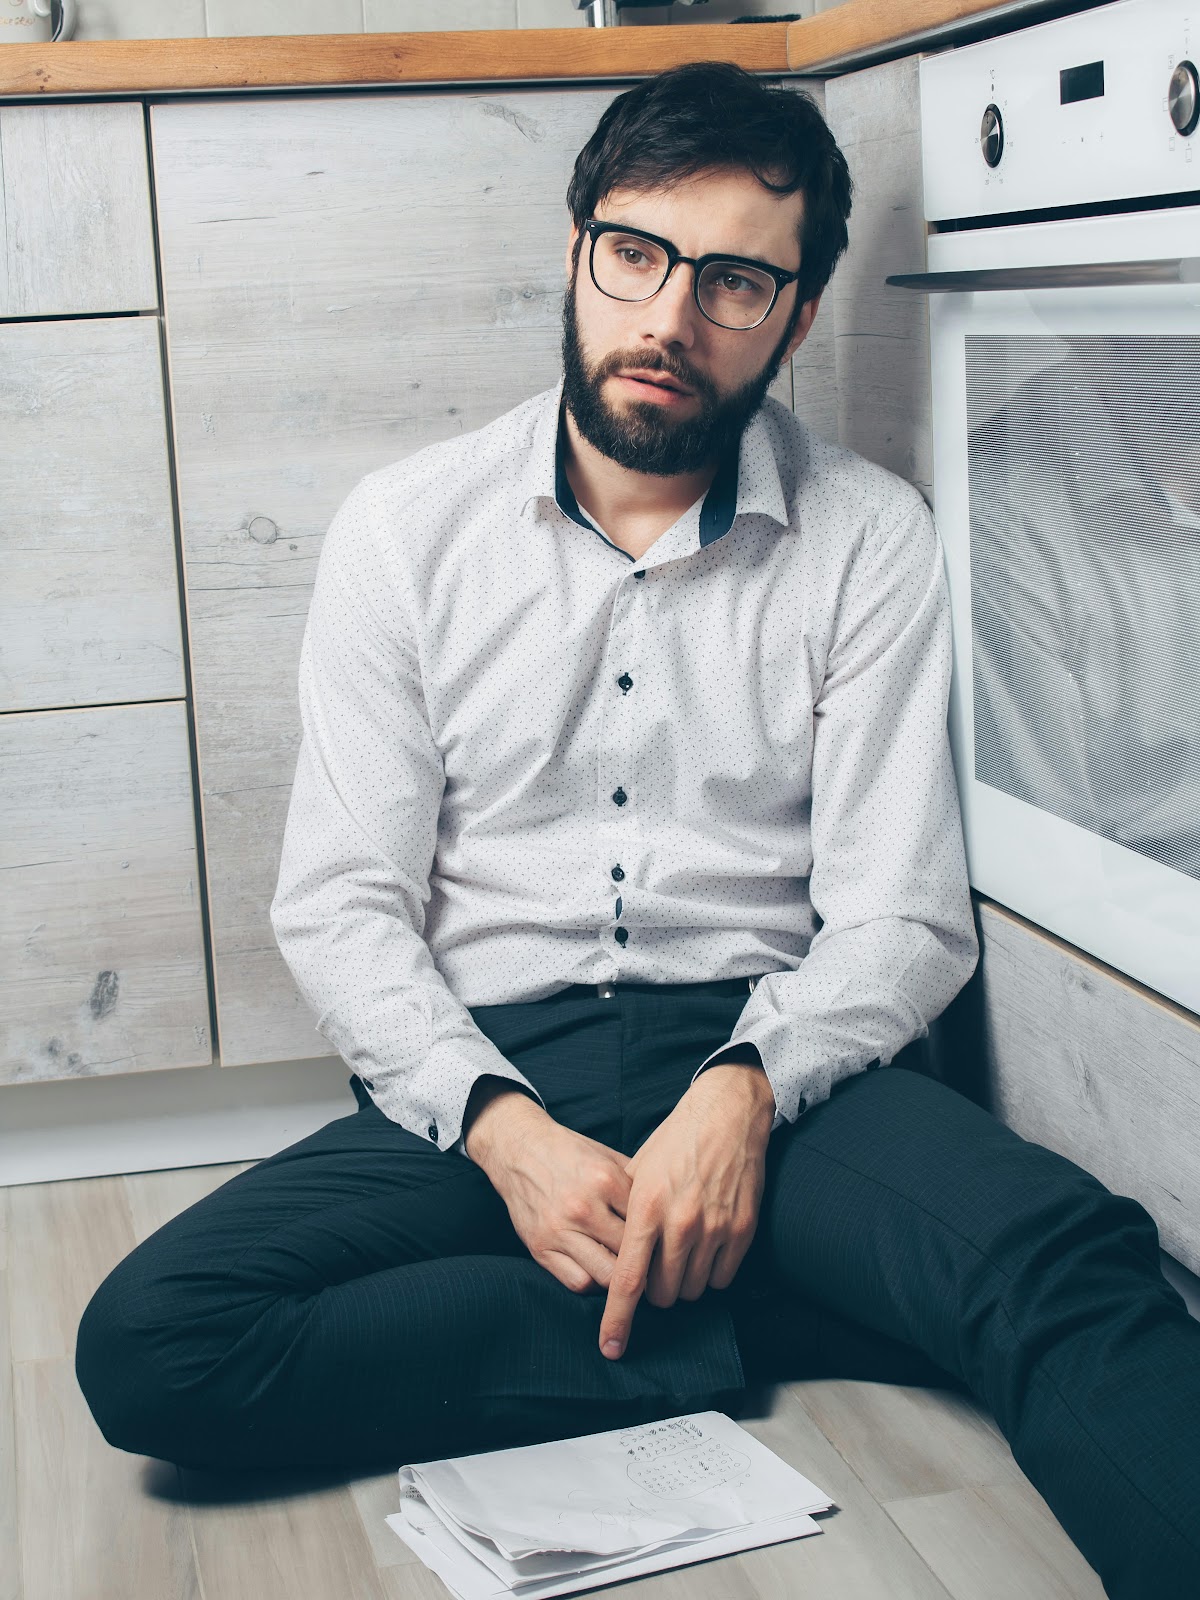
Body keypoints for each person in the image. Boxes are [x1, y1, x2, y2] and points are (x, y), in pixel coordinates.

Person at [75, 63, 1199, 1599]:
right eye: (639, 254)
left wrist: (745, 1094)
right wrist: (505, 1133)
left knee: (1072, 1267)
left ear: (796, 318)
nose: (671, 317)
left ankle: (786, 1264)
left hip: (774, 1071)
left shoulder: (871, 538)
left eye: (736, 280)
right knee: (152, 1348)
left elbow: (905, 915)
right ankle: (787, 1317)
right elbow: (342, 905)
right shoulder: (408, 532)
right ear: (577, 251)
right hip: (499, 1079)